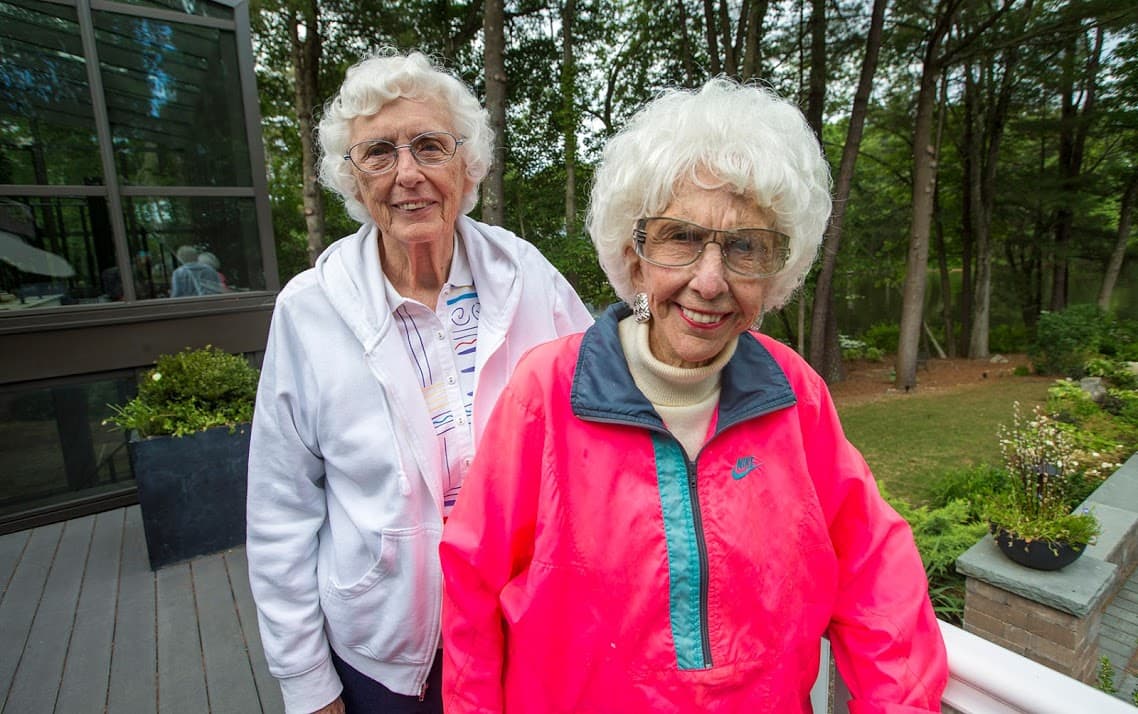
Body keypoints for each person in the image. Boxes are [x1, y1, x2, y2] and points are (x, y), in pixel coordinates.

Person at [440, 78, 948, 712]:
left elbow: (877, 573)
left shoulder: (794, 395)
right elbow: (473, 588)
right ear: (635, 253)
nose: (709, 283)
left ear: (779, 268)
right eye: (681, 237)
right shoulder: (547, 393)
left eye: (745, 248)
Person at [245, 50, 593, 714]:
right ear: (354, 179)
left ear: (467, 166)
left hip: (525, 627)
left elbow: (597, 426)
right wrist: (306, 683)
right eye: (378, 153)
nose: (408, 174)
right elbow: (279, 512)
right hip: (386, 655)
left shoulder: (526, 275)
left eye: (430, 146)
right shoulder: (309, 309)